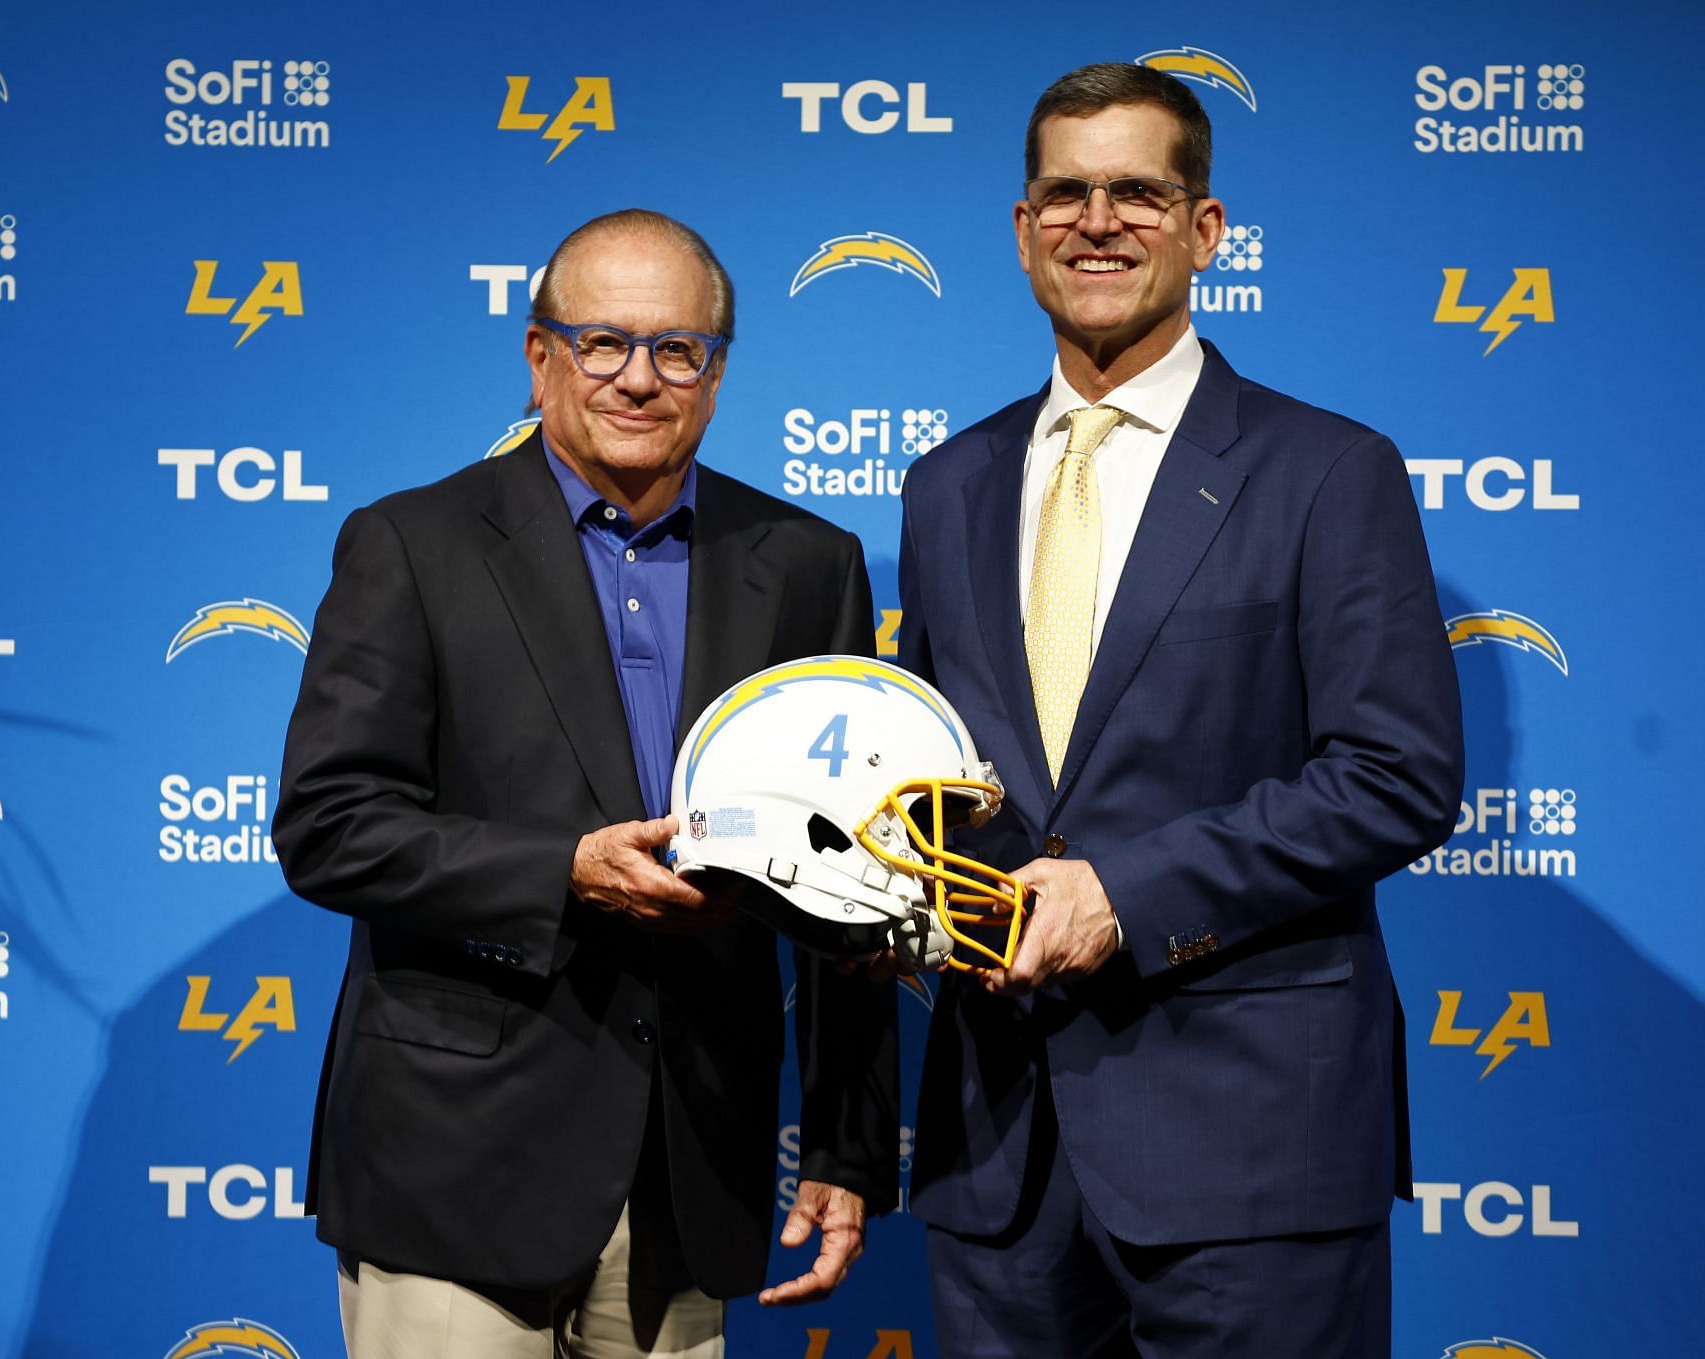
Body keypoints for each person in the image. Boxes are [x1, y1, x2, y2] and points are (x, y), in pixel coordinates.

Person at [895, 64, 1464, 1357]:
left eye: (1137, 193)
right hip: (998, 1156)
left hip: (1251, 1153)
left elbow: (1397, 770)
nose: (1098, 221)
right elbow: (942, 781)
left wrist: (1126, 892)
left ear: (1206, 229)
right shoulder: (948, 484)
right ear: (1023, 227)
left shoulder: (1327, 468)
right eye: (1065, 194)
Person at [274, 209, 897, 1359]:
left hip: (691, 1164)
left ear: (717, 371)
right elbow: (330, 826)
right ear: (539, 355)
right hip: (453, 1164)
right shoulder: (413, 544)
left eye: (676, 349)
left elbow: (851, 879)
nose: (638, 378)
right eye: (602, 342)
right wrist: (562, 874)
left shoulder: (811, 566)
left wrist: (848, 1143)